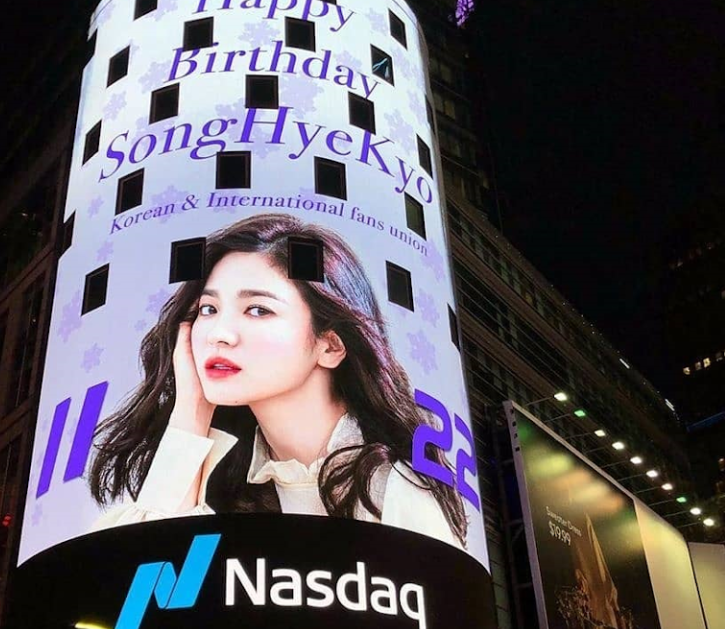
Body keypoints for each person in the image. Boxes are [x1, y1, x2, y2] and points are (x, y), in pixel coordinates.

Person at [89, 213, 467, 547]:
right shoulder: (224, 478)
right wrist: (190, 409)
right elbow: (140, 600)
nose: (220, 333)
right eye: (209, 308)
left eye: (257, 309)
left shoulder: (392, 487)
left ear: (331, 345)